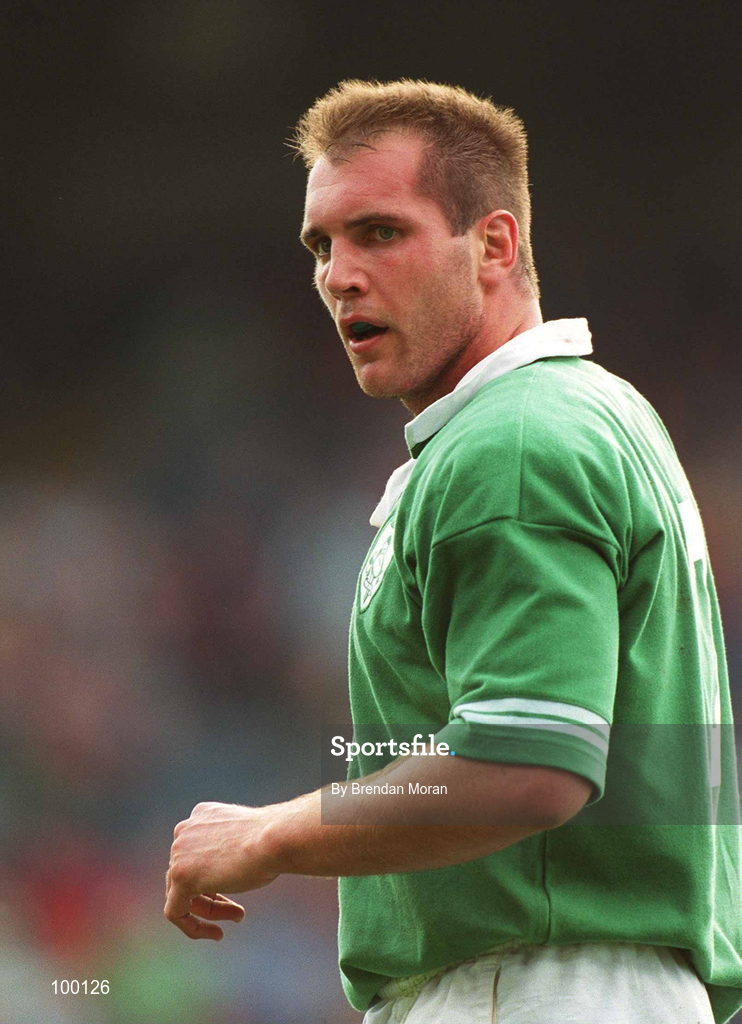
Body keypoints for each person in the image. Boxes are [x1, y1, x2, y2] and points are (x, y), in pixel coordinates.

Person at [165, 79, 742, 1023]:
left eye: (380, 233)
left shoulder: (513, 442)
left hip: (533, 991)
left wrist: (273, 832)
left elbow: (527, 762)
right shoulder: (592, 412)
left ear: (495, 245)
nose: (338, 274)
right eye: (322, 244)